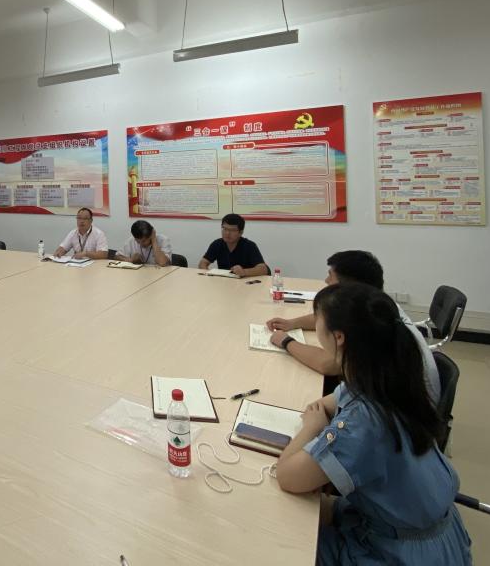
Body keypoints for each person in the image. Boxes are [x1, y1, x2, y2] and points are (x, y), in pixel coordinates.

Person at [275, 283, 472, 564]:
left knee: (277, 539)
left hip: (400, 554)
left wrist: (312, 427)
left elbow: (287, 476)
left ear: (339, 337)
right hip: (425, 528)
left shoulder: (363, 422)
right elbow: (330, 402)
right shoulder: (390, 377)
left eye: (317, 319)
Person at [266, 250, 441, 404]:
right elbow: (330, 317)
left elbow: (327, 364)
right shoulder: (377, 306)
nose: (326, 281)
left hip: (400, 417)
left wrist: (287, 342)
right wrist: (292, 323)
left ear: (348, 287)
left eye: (330, 276)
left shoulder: (369, 324)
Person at [197, 213, 269, 277]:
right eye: (225, 229)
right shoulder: (217, 244)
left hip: (244, 282)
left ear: (241, 232)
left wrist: (244, 272)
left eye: (232, 230)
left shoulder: (249, 246)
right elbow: (202, 263)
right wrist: (209, 275)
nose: (227, 233)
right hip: (224, 282)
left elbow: (263, 269)